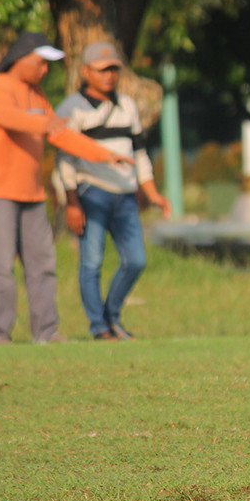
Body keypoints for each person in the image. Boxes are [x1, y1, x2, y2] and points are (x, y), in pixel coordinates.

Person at [0, 31, 133, 345]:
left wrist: (105, 154)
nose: (45, 71)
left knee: (43, 264)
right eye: (42, 63)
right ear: (21, 59)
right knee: (1, 267)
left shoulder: (38, 95)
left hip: (31, 194)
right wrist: (46, 123)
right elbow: (10, 118)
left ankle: (46, 331)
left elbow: (62, 134)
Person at [55, 41, 171, 341]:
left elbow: (139, 154)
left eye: (114, 70)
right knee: (91, 261)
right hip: (91, 191)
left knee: (136, 260)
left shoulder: (127, 106)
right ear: (85, 72)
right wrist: (71, 202)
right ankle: (99, 327)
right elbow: (65, 159)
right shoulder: (72, 108)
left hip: (125, 193)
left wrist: (153, 193)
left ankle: (111, 315)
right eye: (102, 70)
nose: (109, 76)